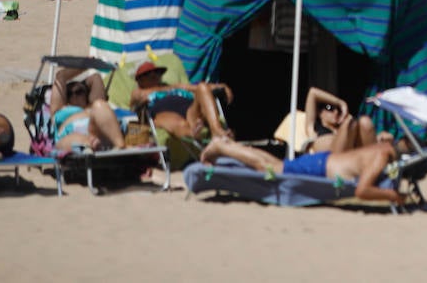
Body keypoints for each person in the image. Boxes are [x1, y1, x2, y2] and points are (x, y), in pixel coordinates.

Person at [198, 135, 404, 204]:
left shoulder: (382, 147)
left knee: (274, 164)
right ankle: (222, 147)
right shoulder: (382, 155)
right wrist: (393, 195)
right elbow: (362, 190)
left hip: (321, 163)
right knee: (268, 168)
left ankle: (228, 146)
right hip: (320, 169)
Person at [127, 61, 234, 142]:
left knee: (202, 87)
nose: (154, 74)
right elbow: (135, 103)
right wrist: (142, 99)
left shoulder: (175, 86)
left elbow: (196, 87)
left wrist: (221, 86)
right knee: (179, 123)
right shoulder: (139, 92)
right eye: (148, 73)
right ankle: (192, 134)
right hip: (163, 113)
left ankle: (217, 131)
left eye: (157, 72)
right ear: (140, 80)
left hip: (191, 111)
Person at [52, 80, 127, 154]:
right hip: (69, 136)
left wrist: (85, 82)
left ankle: (119, 146)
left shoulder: (92, 107)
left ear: (86, 94)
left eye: (79, 91)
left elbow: (95, 77)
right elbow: (60, 76)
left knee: (100, 104)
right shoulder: (60, 109)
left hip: (97, 131)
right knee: (76, 139)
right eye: (69, 93)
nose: (74, 95)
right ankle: (87, 148)